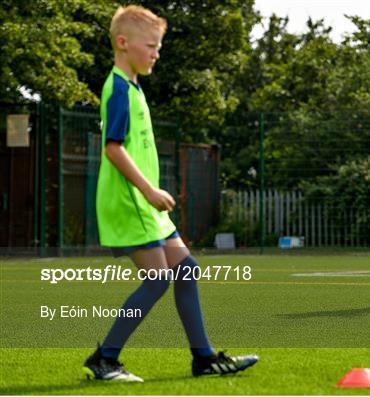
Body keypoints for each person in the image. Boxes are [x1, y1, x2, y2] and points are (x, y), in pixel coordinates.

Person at [83, 5, 258, 382]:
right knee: (160, 278)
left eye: (158, 46)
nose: (156, 53)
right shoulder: (116, 89)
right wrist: (148, 191)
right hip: (131, 202)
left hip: (146, 204)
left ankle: (204, 358)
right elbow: (113, 148)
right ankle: (106, 358)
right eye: (151, 45)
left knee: (186, 269)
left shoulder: (132, 86)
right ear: (123, 43)